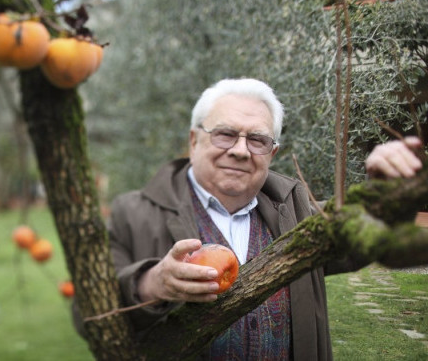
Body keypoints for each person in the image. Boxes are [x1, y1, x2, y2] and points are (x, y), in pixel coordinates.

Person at [78, 78, 424, 360]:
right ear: (194, 139)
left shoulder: (298, 210)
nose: (241, 150)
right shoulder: (135, 213)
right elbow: (87, 312)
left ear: (271, 153)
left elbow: (364, 240)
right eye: (225, 134)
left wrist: (386, 194)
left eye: (257, 139)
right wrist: (152, 283)